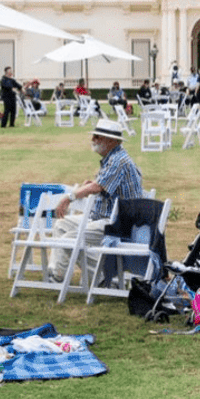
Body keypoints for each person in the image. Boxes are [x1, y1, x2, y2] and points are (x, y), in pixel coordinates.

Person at [48, 119, 145, 280]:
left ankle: (102, 277)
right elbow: (101, 184)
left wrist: (69, 197)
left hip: (117, 223)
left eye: (97, 137)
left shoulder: (118, 160)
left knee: (70, 240)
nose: (93, 140)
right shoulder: (113, 158)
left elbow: (97, 188)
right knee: (61, 225)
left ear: (112, 141)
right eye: (94, 136)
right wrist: (91, 184)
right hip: (102, 219)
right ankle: (58, 274)